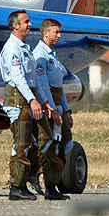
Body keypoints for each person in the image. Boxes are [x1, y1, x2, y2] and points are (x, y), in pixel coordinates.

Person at [0, 10, 67, 201]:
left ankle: (41, 181)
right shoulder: (12, 49)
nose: (30, 25)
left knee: (44, 140)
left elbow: (36, 79)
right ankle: (16, 187)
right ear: (15, 25)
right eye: (26, 22)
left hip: (30, 101)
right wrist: (32, 100)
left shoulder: (25, 48)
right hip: (18, 102)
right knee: (22, 144)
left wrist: (46, 103)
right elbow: (19, 79)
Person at [33, 18, 74, 200]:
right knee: (50, 145)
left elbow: (59, 86)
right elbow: (43, 86)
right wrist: (53, 110)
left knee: (64, 142)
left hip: (57, 106)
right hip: (49, 108)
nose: (59, 36)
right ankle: (48, 185)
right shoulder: (39, 56)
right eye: (56, 32)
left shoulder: (52, 54)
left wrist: (66, 110)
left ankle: (52, 182)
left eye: (59, 32)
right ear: (45, 33)